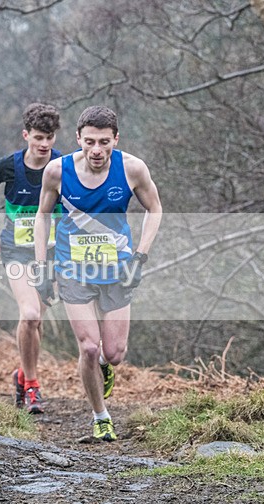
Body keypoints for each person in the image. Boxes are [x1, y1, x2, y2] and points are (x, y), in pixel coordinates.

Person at [33, 105, 162, 442]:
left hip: (117, 268)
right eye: (89, 141)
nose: (96, 150)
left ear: (116, 139)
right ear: (78, 138)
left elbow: (155, 208)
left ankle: (104, 364)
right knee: (88, 347)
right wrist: (41, 267)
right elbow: (42, 217)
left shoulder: (132, 169)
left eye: (104, 142)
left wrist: (140, 257)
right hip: (72, 268)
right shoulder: (57, 171)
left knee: (114, 354)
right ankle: (100, 416)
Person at [0, 103, 61, 414]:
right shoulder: (10, 166)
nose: (44, 144)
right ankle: (33, 386)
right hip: (15, 250)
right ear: (26, 135)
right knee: (30, 314)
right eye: (38, 137)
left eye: (49, 137)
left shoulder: (63, 166)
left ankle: (22, 374)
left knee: (36, 320)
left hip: (50, 253)